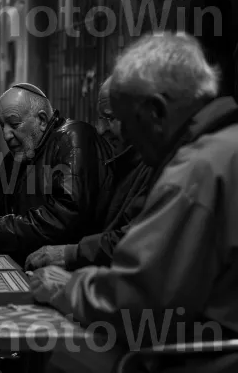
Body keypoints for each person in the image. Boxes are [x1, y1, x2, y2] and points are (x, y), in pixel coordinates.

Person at [32, 32, 238, 373]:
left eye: (126, 122)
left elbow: (134, 303)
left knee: (65, 357)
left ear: (156, 111)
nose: (121, 136)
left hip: (204, 358)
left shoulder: (197, 170)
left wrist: (70, 287)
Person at [0, 83, 114, 265]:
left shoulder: (73, 139)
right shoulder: (15, 158)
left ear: (42, 120)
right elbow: (4, 207)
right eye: (2, 125)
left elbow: (66, 215)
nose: (6, 135)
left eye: (14, 124)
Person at [25, 77, 154, 271]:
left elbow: (137, 242)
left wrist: (70, 256)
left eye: (110, 118)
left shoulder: (157, 166)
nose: (101, 129)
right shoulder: (121, 163)